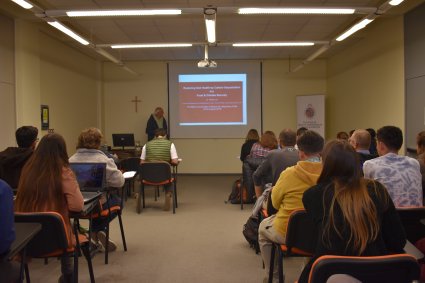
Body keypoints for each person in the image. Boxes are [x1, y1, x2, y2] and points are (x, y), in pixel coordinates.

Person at [298, 140, 406, 283]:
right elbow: (397, 240)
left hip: (327, 273)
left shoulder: (313, 195)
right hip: (376, 273)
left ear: (325, 164)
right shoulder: (377, 190)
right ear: (356, 163)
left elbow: (313, 241)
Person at [15, 133, 84, 283]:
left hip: (26, 240)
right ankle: (68, 275)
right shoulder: (63, 172)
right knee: (68, 227)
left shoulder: (27, 171)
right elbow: (77, 206)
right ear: (62, 151)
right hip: (56, 240)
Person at [258, 130, 324, 283]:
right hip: (321, 233)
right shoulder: (330, 173)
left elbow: (273, 203)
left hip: (288, 233)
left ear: (300, 153)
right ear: (321, 151)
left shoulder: (289, 174)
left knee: (263, 228)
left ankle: (273, 277)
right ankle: (307, 276)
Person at [69, 128, 124, 250]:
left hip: (75, 206)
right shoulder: (103, 159)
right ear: (98, 143)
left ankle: (91, 233)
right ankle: (97, 229)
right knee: (118, 201)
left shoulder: (70, 160)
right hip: (98, 205)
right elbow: (119, 182)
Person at [363, 126, 422, 207]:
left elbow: (367, 196)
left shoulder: (370, 164)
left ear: (381, 145)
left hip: (388, 217)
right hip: (416, 215)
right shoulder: (414, 163)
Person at [140, 128, 179, 210]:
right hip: (164, 177)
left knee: (138, 179)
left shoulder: (146, 145)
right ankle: (168, 193)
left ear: (155, 136)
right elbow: (175, 161)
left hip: (148, 177)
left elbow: (142, 163)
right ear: (165, 135)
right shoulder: (170, 144)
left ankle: (137, 193)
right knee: (169, 179)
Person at [252, 129, 299, 198]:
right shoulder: (302, 155)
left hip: (277, 198)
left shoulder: (272, 154)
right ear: (296, 141)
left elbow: (256, 176)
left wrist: (259, 198)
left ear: (279, 141)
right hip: (298, 197)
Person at [243, 131, 278, 201]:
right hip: (269, 176)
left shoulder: (255, 145)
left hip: (255, 174)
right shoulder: (275, 149)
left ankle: (255, 195)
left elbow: (250, 158)